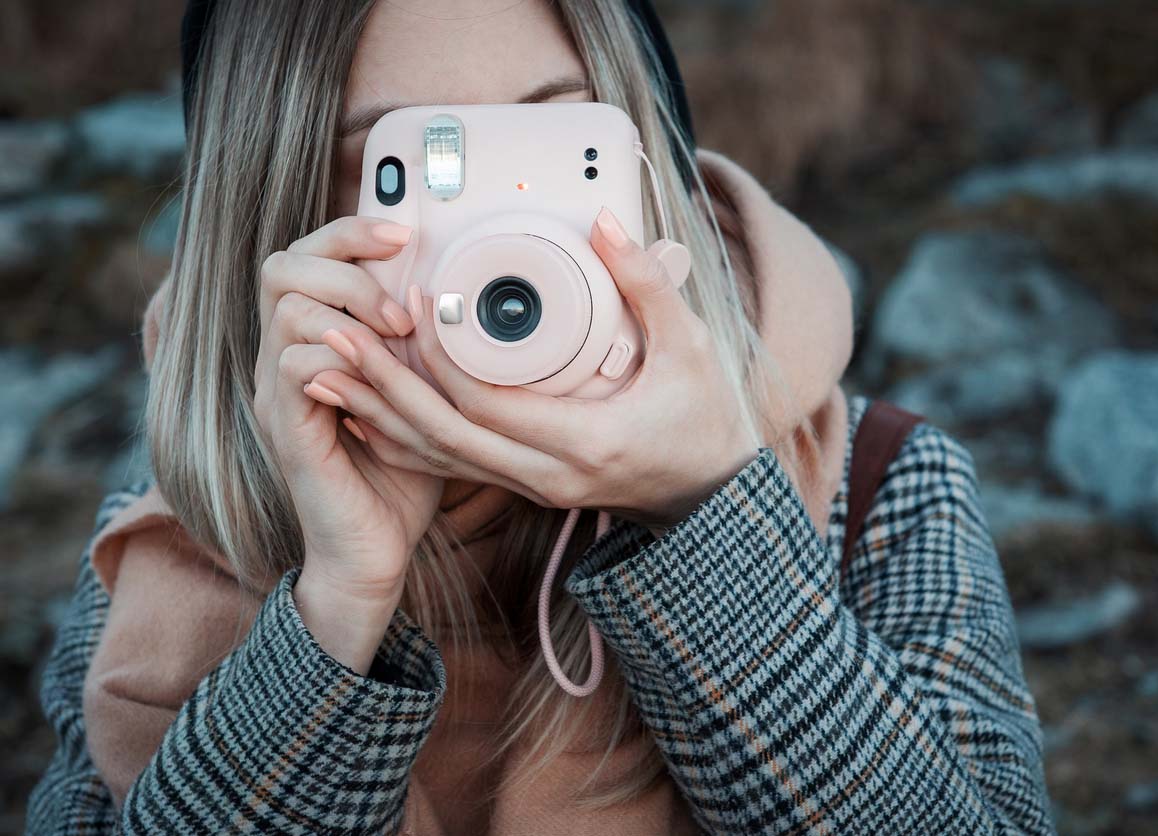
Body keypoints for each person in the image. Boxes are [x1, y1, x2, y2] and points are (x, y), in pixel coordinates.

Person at [26, 0, 1054, 833]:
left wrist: (703, 508)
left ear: (653, 162)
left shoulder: (879, 482)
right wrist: (336, 601)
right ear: (276, 220)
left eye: (560, 146)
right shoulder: (171, 548)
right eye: (426, 168)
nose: (505, 232)